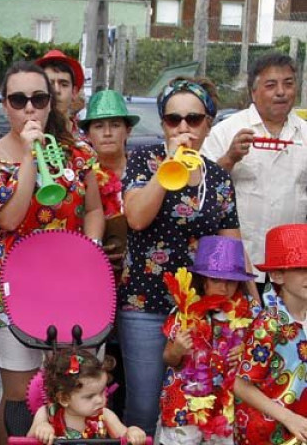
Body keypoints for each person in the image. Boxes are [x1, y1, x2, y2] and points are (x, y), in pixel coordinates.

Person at [0, 61, 104, 443]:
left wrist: (92, 251)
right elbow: (10, 219)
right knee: (22, 396)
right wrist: (30, 158)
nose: (29, 108)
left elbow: (93, 209)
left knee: (70, 389)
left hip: (72, 284)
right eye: (18, 99)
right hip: (11, 287)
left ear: (50, 104)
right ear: (5, 105)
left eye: (39, 98)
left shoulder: (78, 152)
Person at [120, 77, 247, 437]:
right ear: (163, 123)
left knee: (193, 409)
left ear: (209, 122)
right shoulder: (145, 159)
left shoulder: (219, 178)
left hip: (200, 313)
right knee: (142, 408)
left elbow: (232, 249)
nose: (183, 127)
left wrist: (254, 307)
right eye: (173, 119)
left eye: (193, 119)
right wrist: (170, 166)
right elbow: (137, 217)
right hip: (145, 302)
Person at [201, 52, 307, 292]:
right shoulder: (226, 131)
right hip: (236, 265)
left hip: (291, 268)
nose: (281, 92)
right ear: (253, 92)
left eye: (288, 84)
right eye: (271, 85)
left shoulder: (305, 133)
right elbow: (201, 190)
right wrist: (229, 158)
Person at [77, 89, 140, 419]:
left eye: (115, 124)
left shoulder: (144, 172)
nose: (107, 132)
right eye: (99, 126)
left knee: (130, 370)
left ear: (127, 130)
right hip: (92, 285)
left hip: (138, 287)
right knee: (86, 371)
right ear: (87, 134)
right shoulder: (78, 176)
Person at [158, 236, 256, 445]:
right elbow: (168, 358)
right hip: (185, 401)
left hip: (228, 405)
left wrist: (246, 352)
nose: (223, 287)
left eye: (231, 281)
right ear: (203, 280)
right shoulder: (184, 311)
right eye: (216, 280)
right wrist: (177, 350)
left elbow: (263, 355)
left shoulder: (251, 313)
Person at [234, 224, 307, 444]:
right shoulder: (269, 324)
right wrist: (288, 417)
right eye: (301, 268)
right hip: (267, 434)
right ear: (277, 275)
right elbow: (239, 384)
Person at [28, 349, 146, 445]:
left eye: (101, 392)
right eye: (90, 396)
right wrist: (41, 430)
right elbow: (27, 441)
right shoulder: (46, 414)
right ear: (64, 398)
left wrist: (132, 433)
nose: (100, 400)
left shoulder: (105, 415)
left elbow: (124, 436)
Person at [36, 50, 85, 128]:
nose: (56, 90)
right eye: (50, 84)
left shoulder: (85, 137)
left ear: (74, 92)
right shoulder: (24, 134)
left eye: (64, 85)